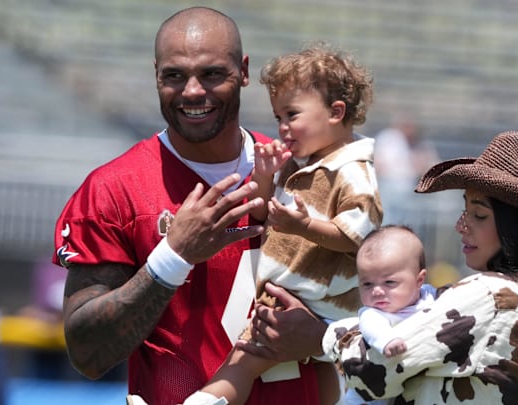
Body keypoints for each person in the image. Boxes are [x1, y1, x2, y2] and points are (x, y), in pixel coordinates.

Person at [54, 7, 327, 405]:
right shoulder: (113, 190)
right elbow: (89, 355)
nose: (193, 91)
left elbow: (383, 308)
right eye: (174, 75)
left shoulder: (308, 173)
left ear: (244, 71)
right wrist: (173, 257)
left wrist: (323, 338)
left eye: (212, 73)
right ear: (156, 76)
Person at [319, 131, 518, 404]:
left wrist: (325, 334)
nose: (461, 225)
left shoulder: (493, 295)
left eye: (479, 215)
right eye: (465, 210)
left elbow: (373, 374)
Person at [192, 42, 383, 405]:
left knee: (243, 360)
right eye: (278, 117)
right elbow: (262, 214)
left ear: (335, 112)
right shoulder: (300, 165)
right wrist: (265, 176)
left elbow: (359, 238)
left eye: (291, 115)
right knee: (321, 367)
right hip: (300, 295)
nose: (281, 127)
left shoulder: (353, 171)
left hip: (313, 300)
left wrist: (303, 227)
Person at [341, 225, 437, 405]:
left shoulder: (430, 296)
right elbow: (372, 327)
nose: (377, 291)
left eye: (389, 282)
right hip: (370, 396)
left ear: (419, 280)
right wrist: (387, 341)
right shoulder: (373, 313)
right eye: (367, 284)